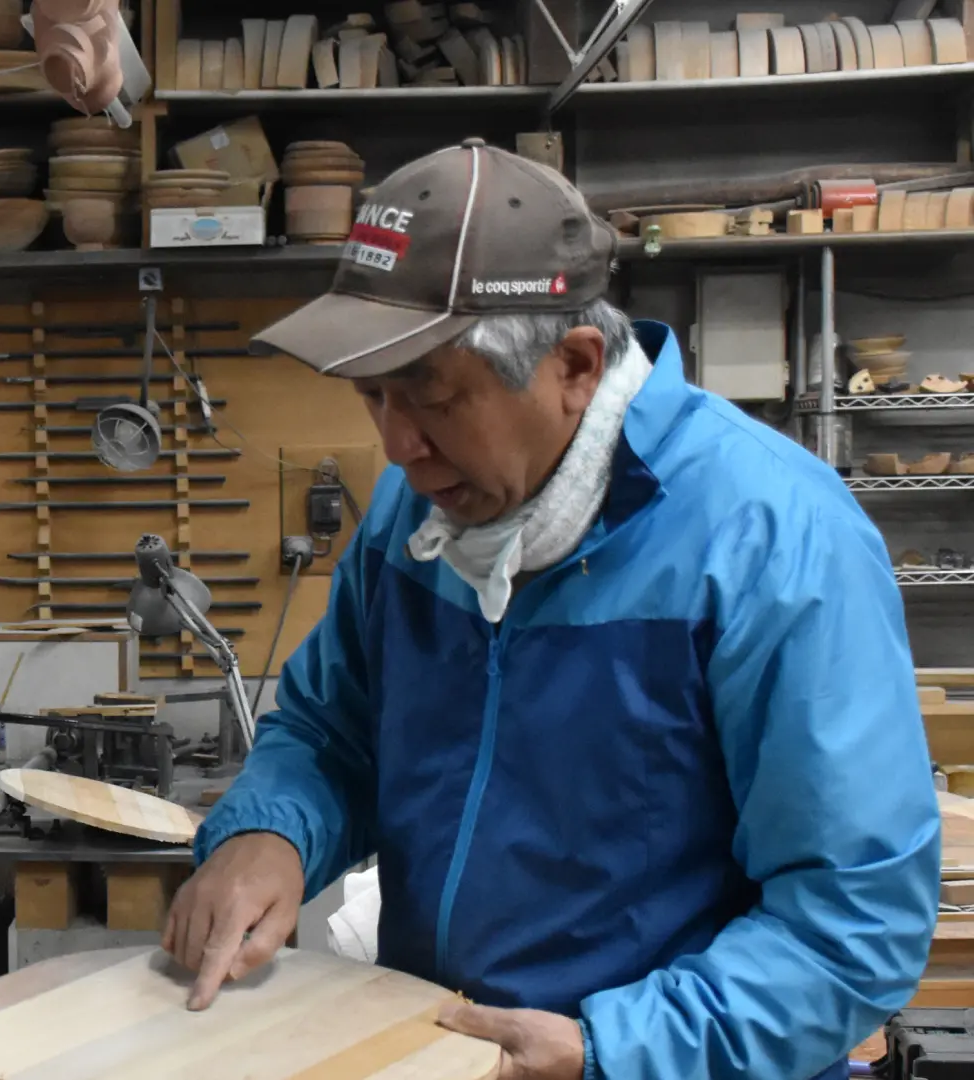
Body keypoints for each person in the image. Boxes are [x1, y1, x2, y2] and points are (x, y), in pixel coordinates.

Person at [164, 138, 939, 1080]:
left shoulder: (774, 543)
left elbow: (851, 925)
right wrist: (268, 832)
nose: (400, 446)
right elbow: (334, 732)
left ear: (574, 364)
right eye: (372, 398)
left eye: (434, 400)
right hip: (442, 1053)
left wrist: (610, 1050)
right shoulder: (422, 516)